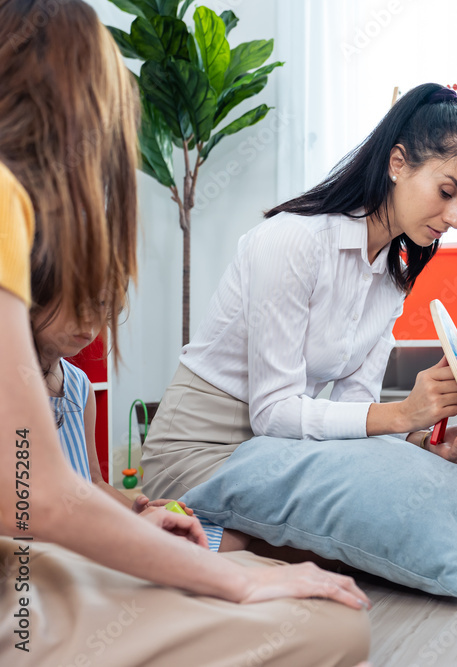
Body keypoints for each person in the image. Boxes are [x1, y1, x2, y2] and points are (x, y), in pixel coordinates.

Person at [0, 2, 369, 665]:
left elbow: (47, 485)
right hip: (20, 589)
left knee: (283, 589)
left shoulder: (66, 381)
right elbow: (35, 496)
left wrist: (134, 512)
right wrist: (237, 579)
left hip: (38, 557)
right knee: (322, 622)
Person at [140, 81, 457, 555]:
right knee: (339, 534)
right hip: (201, 451)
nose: (456, 218)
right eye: (447, 192)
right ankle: (212, 539)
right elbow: (272, 412)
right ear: (398, 164)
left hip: (280, 451)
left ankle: (240, 544)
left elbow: (356, 410)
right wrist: (402, 414)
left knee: (371, 502)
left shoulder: (392, 278)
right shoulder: (294, 241)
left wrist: (421, 437)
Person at [31, 298, 192, 516]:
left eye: (101, 309)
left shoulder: (80, 386)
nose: (90, 322)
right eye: (79, 302)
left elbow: (94, 481)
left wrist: (143, 514)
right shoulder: (12, 388)